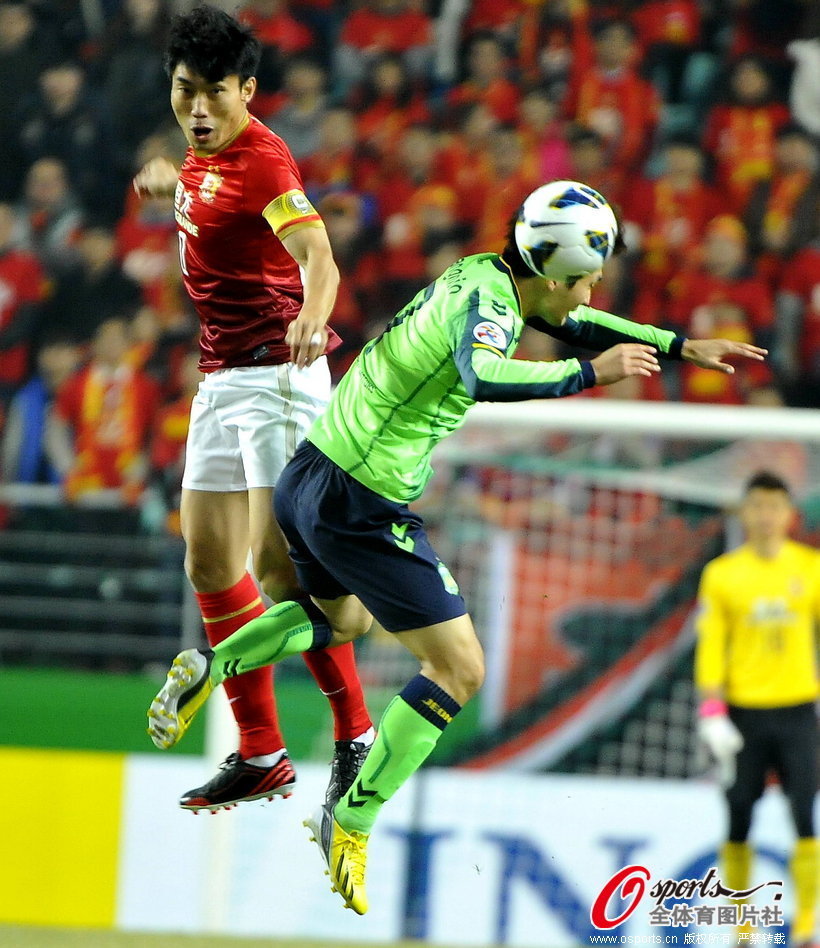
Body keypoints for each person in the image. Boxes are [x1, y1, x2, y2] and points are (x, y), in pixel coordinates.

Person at [147, 180, 766, 914]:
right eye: (586, 277)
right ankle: (353, 816)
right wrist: (587, 376)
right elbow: (483, 375)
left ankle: (215, 660)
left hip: (312, 472)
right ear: (551, 272)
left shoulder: (482, 272)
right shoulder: (495, 309)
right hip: (363, 499)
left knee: (343, 622)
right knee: (458, 667)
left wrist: (675, 344)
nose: (594, 288)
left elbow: (571, 320)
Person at [132, 4, 373, 814]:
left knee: (286, 580)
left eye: (214, 96)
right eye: (184, 91)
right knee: (206, 562)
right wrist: (168, 178)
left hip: (280, 379)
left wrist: (314, 310)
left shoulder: (266, 164)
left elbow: (318, 253)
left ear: (250, 90)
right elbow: (202, 194)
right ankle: (262, 752)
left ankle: (356, 734)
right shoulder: (199, 156)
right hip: (222, 379)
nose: (198, 111)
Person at [694, 472, 818, 948]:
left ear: (789, 514)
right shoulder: (722, 574)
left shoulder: (810, 568)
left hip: (797, 711)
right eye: (757, 506)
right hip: (743, 714)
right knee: (739, 813)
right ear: (744, 513)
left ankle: (807, 923)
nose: (766, 516)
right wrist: (711, 709)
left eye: (775, 507)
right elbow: (710, 646)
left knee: (805, 811)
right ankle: (743, 924)